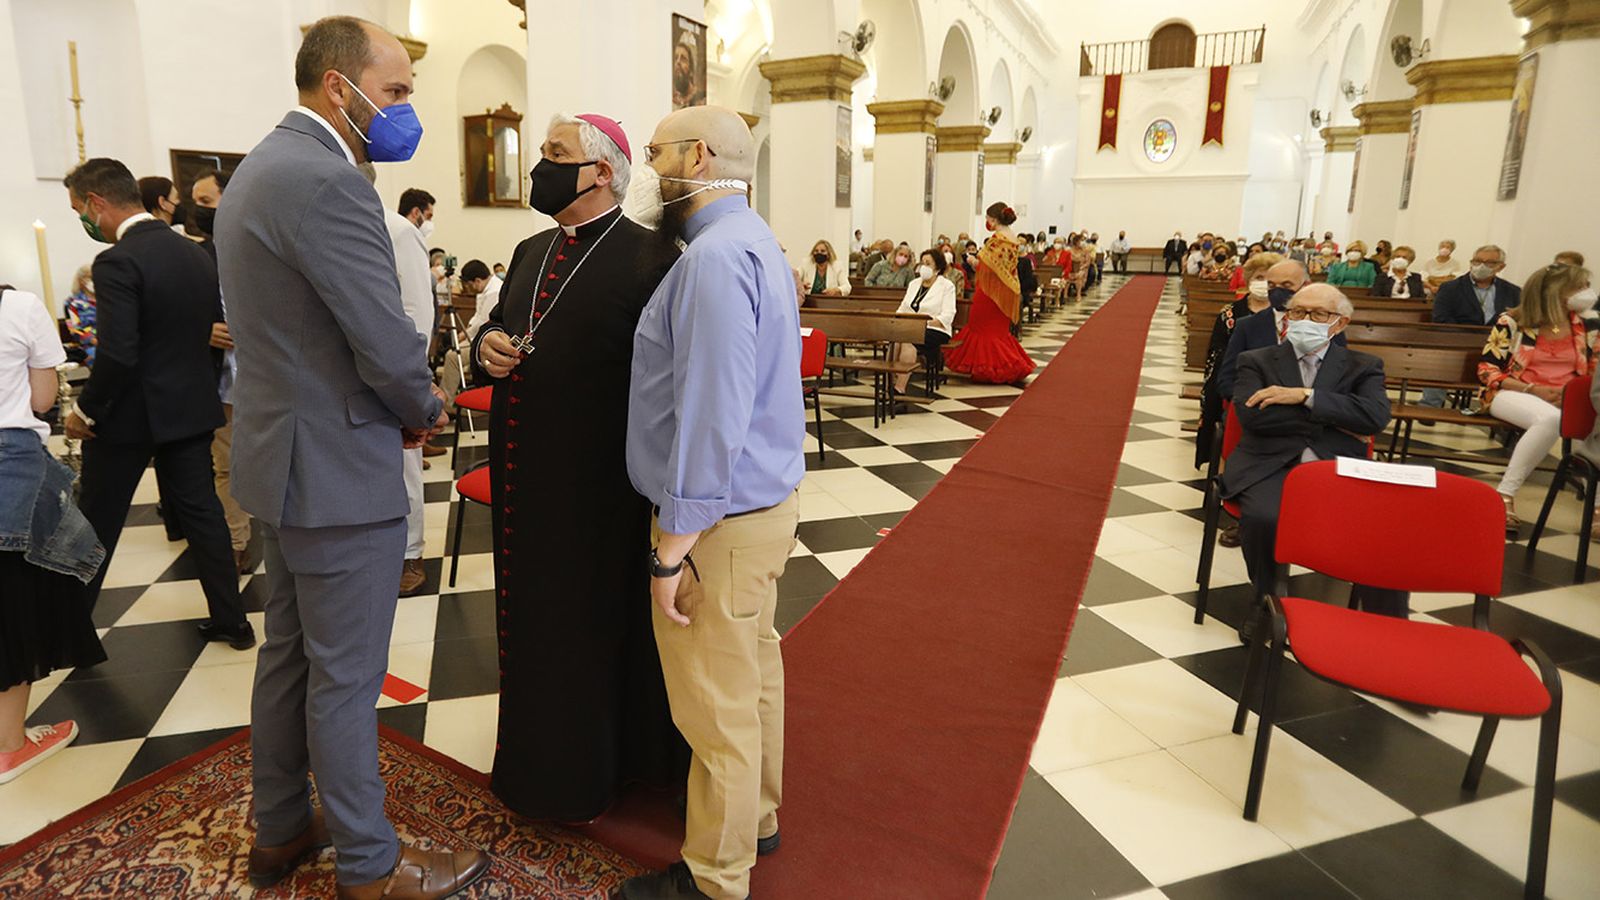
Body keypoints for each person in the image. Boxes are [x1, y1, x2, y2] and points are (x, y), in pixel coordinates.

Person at [219, 17, 486, 898]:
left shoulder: (259, 167)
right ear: (342, 87)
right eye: (399, 90)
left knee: (289, 656)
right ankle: (371, 866)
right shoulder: (328, 182)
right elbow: (382, 337)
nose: (407, 108)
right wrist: (424, 407)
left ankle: (283, 828)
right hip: (337, 466)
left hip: (282, 458)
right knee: (345, 677)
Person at [470, 111, 687, 824]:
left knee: (592, 631)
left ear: (601, 171)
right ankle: (535, 766)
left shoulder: (654, 255)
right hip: (524, 479)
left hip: (599, 490)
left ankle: (600, 774)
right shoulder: (533, 248)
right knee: (531, 628)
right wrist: (489, 346)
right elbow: (502, 324)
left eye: (554, 154)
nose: (540, 165)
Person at [619, 104, 805, 900]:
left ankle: (715, 878)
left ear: (695, 157)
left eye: (656, 150)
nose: (649, 164)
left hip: (718, 522)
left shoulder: (713, 259)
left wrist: (670, 546)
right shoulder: (753, 240)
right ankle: (755, 819)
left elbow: (712, 414)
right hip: (761, 508)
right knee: (753, 670)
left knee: (713, 706)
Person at [61, 157, 254, 648]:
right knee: (204, 516)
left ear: (96, 203)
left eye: (78, 209)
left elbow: (119, 353)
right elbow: (212, 337)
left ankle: (70, 633)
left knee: (95, 522)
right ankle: (233, 621)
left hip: (129, 417)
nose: (82, 220)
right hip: (188, 409)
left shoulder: (117, 261)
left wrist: (86, 412)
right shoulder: (192, 253)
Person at [1222, 284, 1401, 639]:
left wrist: (1304, 396)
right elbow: (1255, 418)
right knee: (1265, 517)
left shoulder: (1363, 366)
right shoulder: (1256, 360)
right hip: (1270, 462)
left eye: (1319, 314)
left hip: (1335, 465)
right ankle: (1265, 600)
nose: (1306, 320)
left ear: (1339, 323)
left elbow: (1375, 417)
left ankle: (1385, 625)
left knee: (1388, 521)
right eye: (1299, 312)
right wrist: (1336, 416)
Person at [0, 284, 107, 785]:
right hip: (8, 460)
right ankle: (10, 745)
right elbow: (43, 397)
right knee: (11, 601)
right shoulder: (17, 306)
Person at [1477, 264, 1595, 528]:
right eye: (1580, 287)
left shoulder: (1587, 326)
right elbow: (1487, 371)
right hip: (1513, 391)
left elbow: (1595, 372)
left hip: (1569, 399)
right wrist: (1534, 390)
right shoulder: (1512, 323)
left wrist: (1573, 396)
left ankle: (1597, 508)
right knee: (1551, 420)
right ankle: (1505, 494)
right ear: (1557, 292)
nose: (1586, 293)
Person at [183, 168, 256, 573]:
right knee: (226, 465)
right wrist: (200, 331)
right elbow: (173, 315)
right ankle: (236, 541)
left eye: (207, 201)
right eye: (196, 202)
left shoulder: (260, 246)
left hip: (270, 379)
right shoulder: (197, 255)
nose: (199, 210)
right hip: (224, 380)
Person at [385, 187, 440, 596]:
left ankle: (410, 554)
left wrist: (413, 379)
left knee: (405, 467)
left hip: (395, 367)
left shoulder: (399, 231)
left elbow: (418, 312)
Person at [1215, 259, 1347, 403]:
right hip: (1260, 413)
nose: (1277, 291)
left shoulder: (1326, 326)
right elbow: (1227, 379)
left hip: (1313, 413)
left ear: (1305, 286)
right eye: (1271, 285)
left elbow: (1339, 375)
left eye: (1286, 285)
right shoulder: (1248, 326)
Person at [1197, 252, 1282, 469]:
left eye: (1270, 280)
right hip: (1234, 381)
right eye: (1259, 278)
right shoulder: (1230, 314)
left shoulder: (1285, 315)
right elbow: (1216, 353)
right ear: (1249, 279)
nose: (1264, 284)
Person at [943, 202, 1035, 385]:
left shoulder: (998, 239)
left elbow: (987, 266)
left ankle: (989, 367)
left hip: (990, 291)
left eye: (987, 218)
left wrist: (972, 261)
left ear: (993, 220)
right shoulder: (1014, 238)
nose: (986, 221)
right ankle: (1001, 364)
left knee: (980, 327)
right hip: (1006, 290)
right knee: (997, 330)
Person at [892, 249, 958, 396]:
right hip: (909, 327)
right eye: (922, 263)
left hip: (936, 329)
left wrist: (923, 324)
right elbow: (903, 307)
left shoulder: (946, 286)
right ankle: (890, 380)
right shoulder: (914, 284)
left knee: (908, 341)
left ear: (938, 268)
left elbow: (948, 315)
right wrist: (896, 322)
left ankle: (900, 388)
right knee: (894, 340)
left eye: (928, 263)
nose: (924, 266)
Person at [63, 265, 97, 365]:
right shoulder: (72, 303)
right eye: (91, 278)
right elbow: (75, 329)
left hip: (113, 342)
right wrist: (95, 340)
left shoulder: (107, 299)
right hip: (89, 345)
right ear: (82, 280)